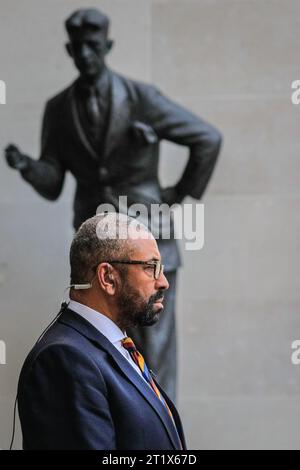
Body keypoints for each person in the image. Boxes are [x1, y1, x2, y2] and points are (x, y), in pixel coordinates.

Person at [5, 8, 222, 401]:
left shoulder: (141, 99)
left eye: (93, 46)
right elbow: (53, 181)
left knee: (154, 357)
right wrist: (29, 168)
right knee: (99, 350)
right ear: (69, 51)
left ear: (106, 47)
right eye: (79, 48)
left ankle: (161, 447)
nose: (86, 54)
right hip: (95, 252)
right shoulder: (59, 108)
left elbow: (207, 139)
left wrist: (176, 194)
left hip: (148, 243)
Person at [17, 213, 186, 450]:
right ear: (108, 277)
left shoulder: (116, 346)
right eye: (151, 267)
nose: (163, 282)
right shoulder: (65, 358)